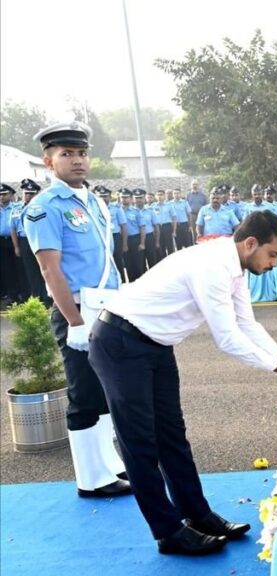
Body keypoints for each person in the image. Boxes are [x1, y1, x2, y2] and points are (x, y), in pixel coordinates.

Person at [88, 211, 277, 556]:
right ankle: (168, 532)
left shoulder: (233, 265)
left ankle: (197, 514)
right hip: (120, 342)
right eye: (272, 255)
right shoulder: (213, 266)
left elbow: (245, 323)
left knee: (172, 437)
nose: (274, 264)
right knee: (141, 443)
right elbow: (226, 337)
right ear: (251, 243)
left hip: (156, 345)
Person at [23, 121, 130, 498]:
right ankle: (90, 478)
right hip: (78, 311)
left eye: (82, 153)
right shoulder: (44, 207)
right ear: (48, 161)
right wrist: (75, 321)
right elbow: (50, 269)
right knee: (84, 393)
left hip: (107, 307)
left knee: (106, 390)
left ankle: (109, 464)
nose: (77, 160)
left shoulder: (95, 201)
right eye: (66, 154)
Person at [11, 179, 51, 305]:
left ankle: (47, 297)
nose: (28, 196)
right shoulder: (16, 209)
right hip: (25, 241)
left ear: (37, 194)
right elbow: (13, 228)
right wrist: (16, 247)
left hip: (40, 239)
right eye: (26, 193)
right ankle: (36, 297)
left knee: (44, 269)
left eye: (31, 193)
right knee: (30, 270)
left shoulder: (44, 207)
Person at [0, 183, 23, 305]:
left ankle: (22, 293)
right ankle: (11, 295)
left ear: (11, 194)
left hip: (14, 240)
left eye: (4, 194)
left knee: (19, 267)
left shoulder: (17, 208)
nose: (2, 197)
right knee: (6, 269)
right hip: (1, 241)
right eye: (0, 195)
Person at [136, 189, 161, 270]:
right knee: (140, 263)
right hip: (136, 238)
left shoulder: (150, 211)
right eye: (136, 198)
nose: (138, 200)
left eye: (140, 198)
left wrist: (157, 242)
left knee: (152, 260)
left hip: (149, 238)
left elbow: (156, 227)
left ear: (144, 199)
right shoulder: (132, 211)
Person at [151, 190, 176, 259]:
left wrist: (174, 231)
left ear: (164, 196)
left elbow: (174, 218)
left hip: (167, 227)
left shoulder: (169, 205)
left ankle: (172, 260)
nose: (159, 196)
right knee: (160, 246)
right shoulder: (153, 206)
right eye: (158, 195)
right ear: (155, 196)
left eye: (161, 195)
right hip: (157, 228)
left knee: (170, 246)